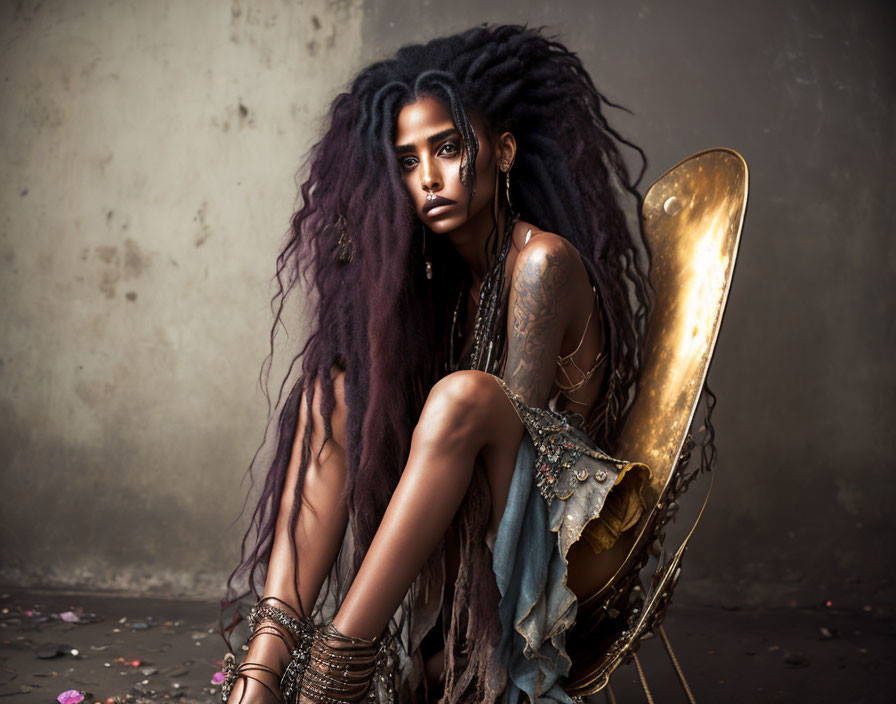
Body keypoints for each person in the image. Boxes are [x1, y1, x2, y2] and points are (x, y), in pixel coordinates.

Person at [221, 24, 653, 704]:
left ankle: (331, 677)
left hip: (553, 539)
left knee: (462, 397)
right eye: (407, 160)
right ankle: (263, 669)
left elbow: (521, 454)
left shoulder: (541, 261)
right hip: (469, 512)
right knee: (332, 391)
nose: (428, 178)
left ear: (503, 150)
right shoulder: (446, 278)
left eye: (449, 148)